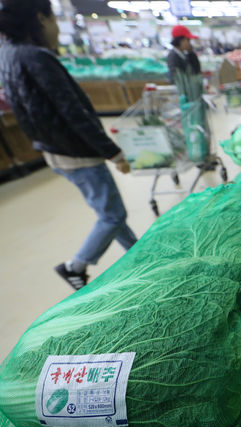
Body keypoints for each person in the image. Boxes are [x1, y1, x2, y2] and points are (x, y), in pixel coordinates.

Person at [0, 0, 137, 290]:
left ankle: (138, 253)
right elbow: (72, 112)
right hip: (76, 153)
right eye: (53, 19)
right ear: (40, 18)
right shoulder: (37, 57)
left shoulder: (9, 54)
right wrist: (113, 152)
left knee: (108, 212)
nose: (57, 28)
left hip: (53, 150)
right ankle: (76, 266)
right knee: (113, 215)